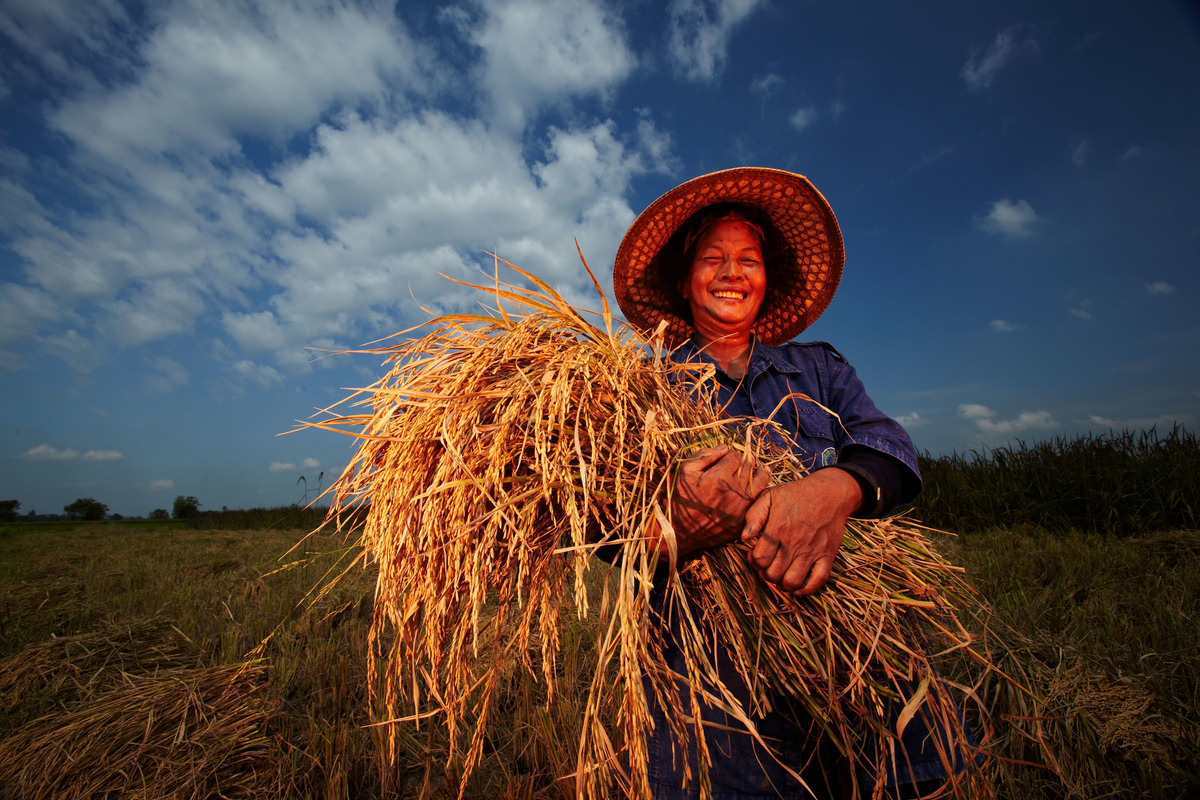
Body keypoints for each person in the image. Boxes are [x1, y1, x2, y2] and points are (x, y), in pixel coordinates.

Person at [612, 168, 953, 798]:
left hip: (854, 646)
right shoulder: (642, 393)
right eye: (713, 260)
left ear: (767, 280)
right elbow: (603, 532)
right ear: (686, 283)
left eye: (748, 259)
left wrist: (833, 491)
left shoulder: (817, 368)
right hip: (709, 673)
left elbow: (893, 452)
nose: (732, 273)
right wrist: (672, 531)